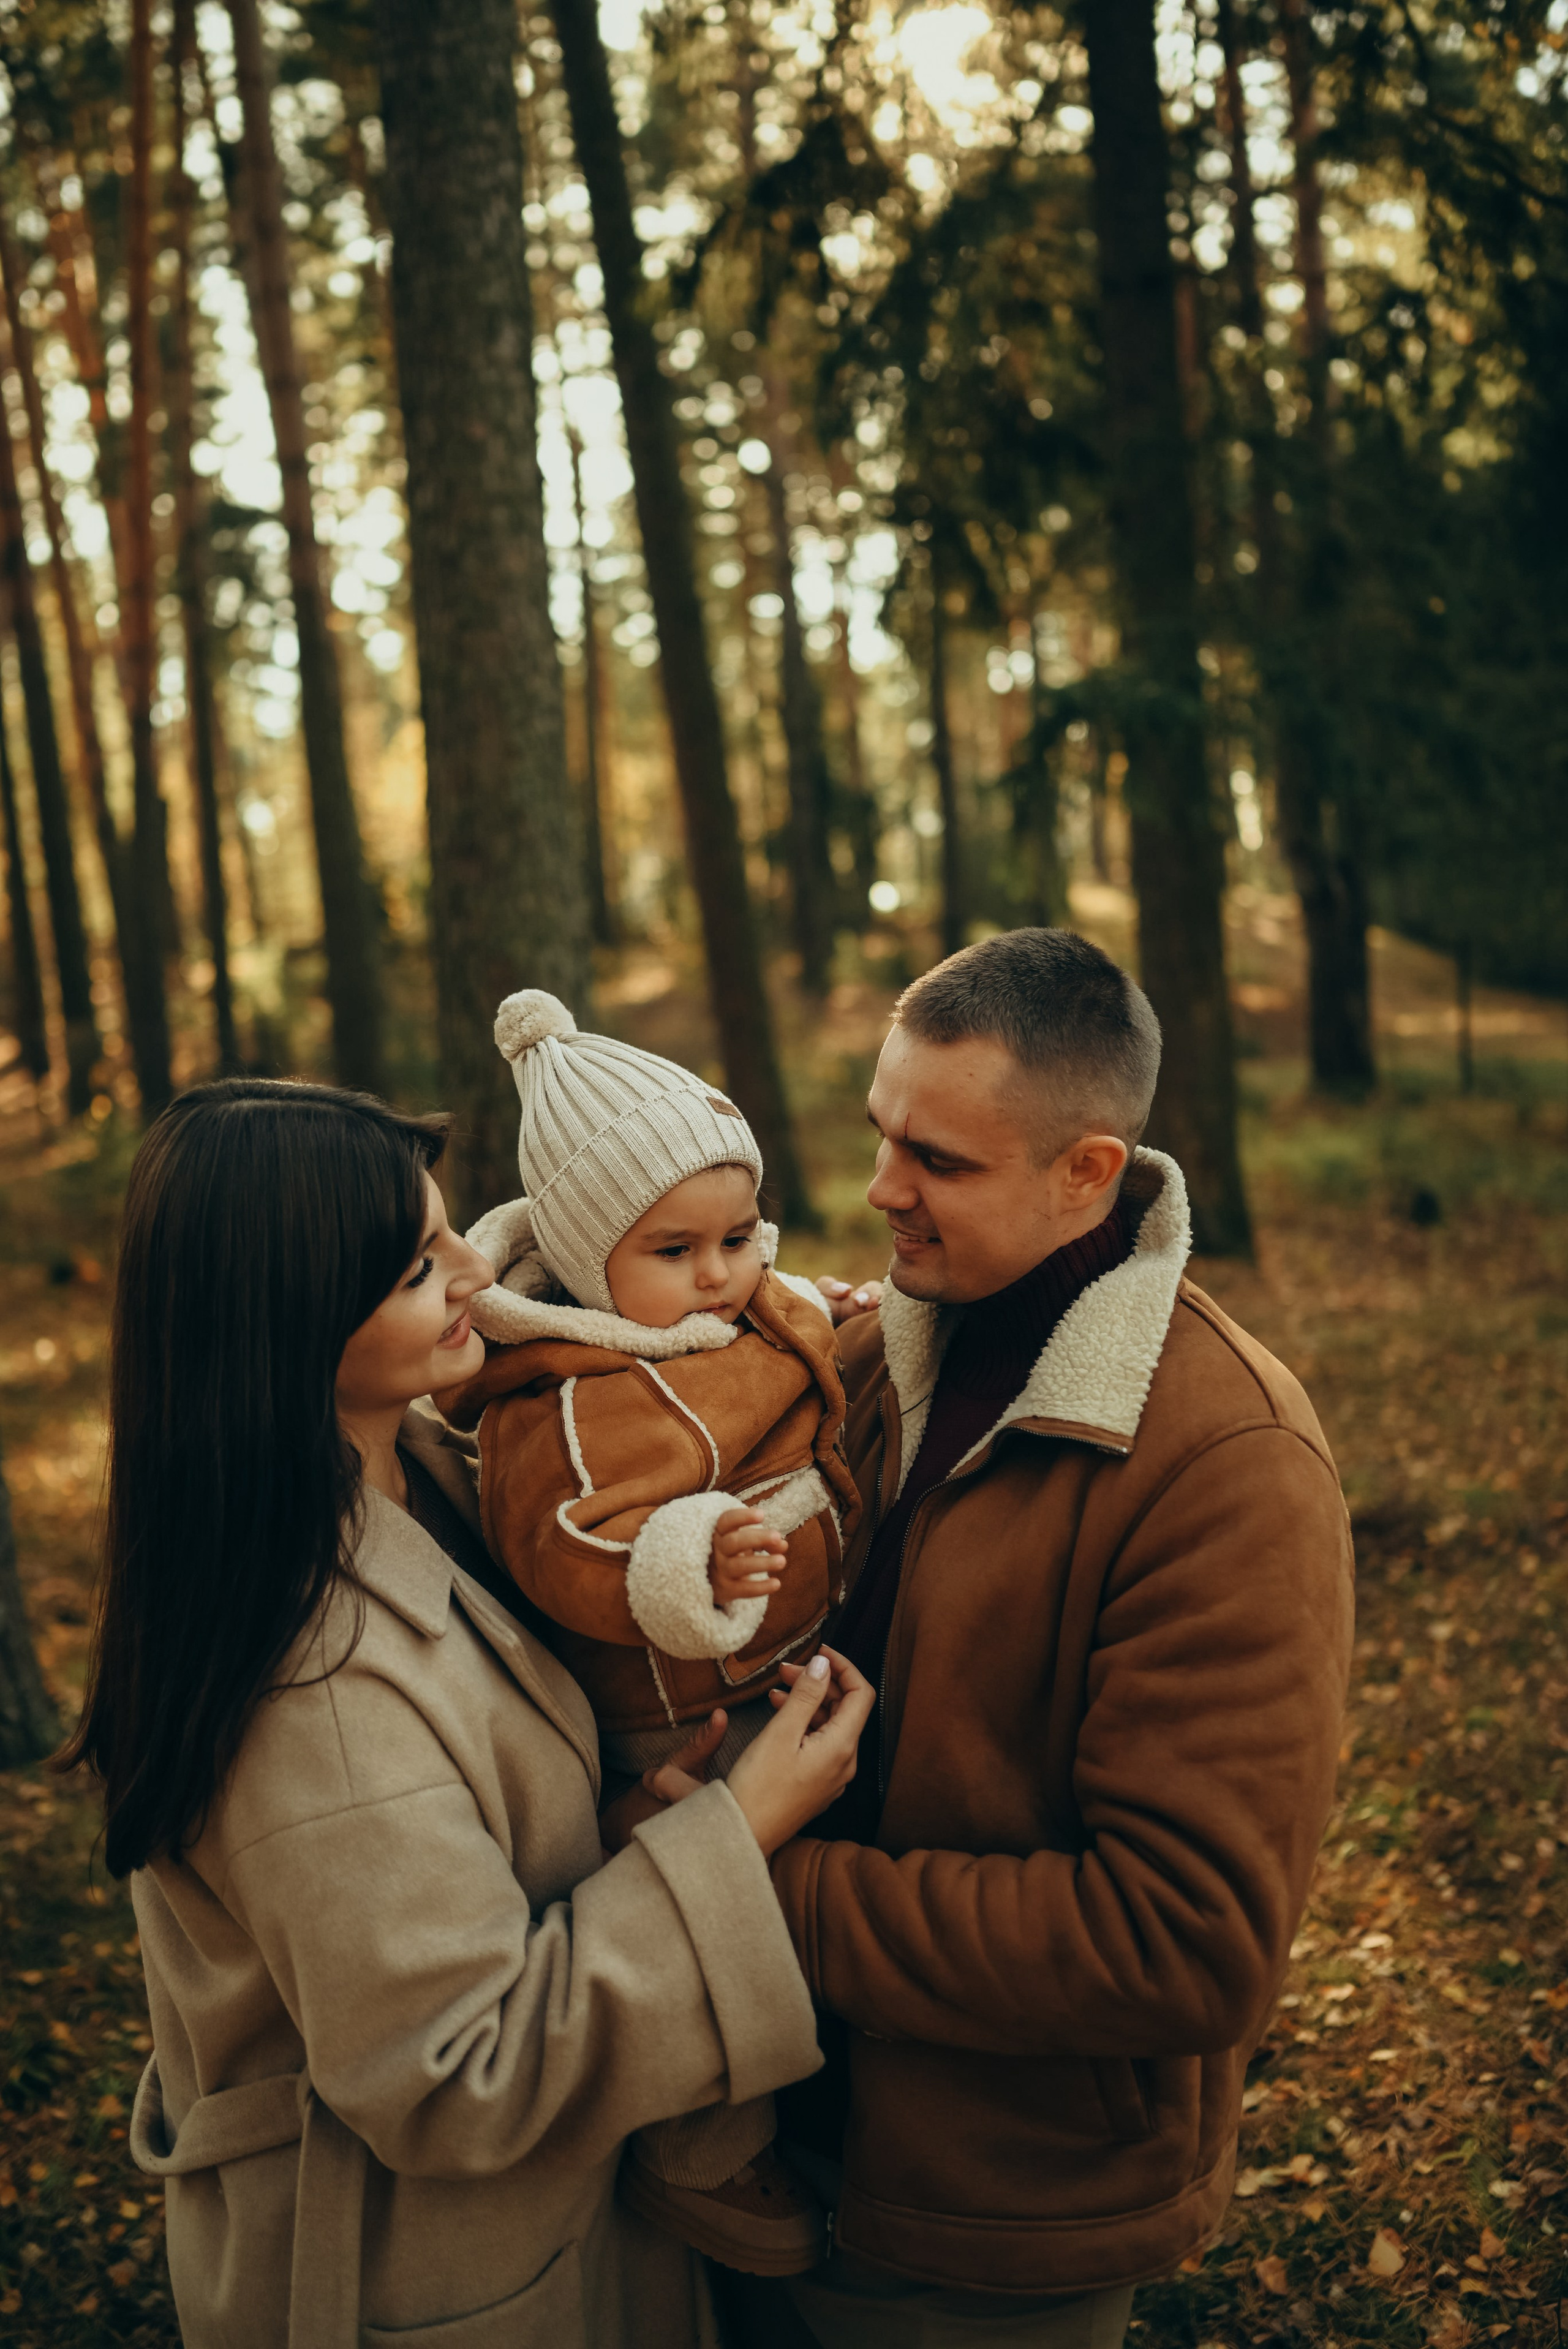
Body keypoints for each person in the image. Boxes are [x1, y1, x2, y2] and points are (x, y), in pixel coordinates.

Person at [59, 1077, 873, 2349]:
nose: (473, 1273)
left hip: (560, 2220)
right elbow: (454, 2068)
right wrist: (737, 1831)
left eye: (446, 1235)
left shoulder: (433, 1473)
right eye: (412, 1270)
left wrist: (612, 1828)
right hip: (438, 2274)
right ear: (286, 1324)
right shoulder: (305, 1682)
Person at [746, 927, 1356, 2349]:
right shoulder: (862, 1351)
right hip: (753, 2166)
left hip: (989, 2234)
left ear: (1086, 1170)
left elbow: (1181, 1941)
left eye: (939, 1164)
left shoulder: (1227, 1461)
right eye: (881, 1131)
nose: (879, 1189)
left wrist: (753, 1890)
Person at [442, 989, 862, 2276]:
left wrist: (837, 1308)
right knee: (705, 1898)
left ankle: (822, 2092)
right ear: (585, 1260)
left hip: (787, 1646)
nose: (721, 1270)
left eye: (737, 1233)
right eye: (676, 1249)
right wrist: (685, 1555)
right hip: (674, 1700)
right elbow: (562, 1541)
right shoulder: (564, 1397)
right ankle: (698, 2139)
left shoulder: (741, 1302)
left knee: (817, 1881)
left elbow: (786, 1310)